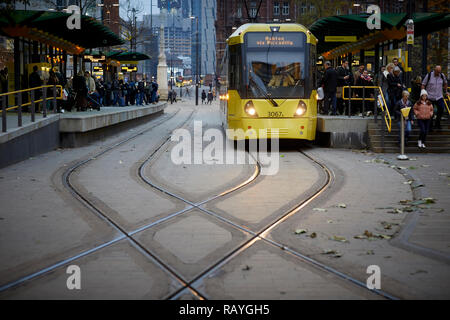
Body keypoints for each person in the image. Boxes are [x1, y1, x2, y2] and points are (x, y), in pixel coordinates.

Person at [421, 65, 448, 130]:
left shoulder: (442, 75)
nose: (438, 73)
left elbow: (445, 83)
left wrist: (446, 91)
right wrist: (423, 93)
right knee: (430, 112)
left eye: (439, 72)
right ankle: (430, 126)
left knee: (441, 108)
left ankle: (437, 124)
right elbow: (423, 84)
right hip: (430, 96)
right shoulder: (429, 75)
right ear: (434, 70)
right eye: (437, 72)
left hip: (439, 96)